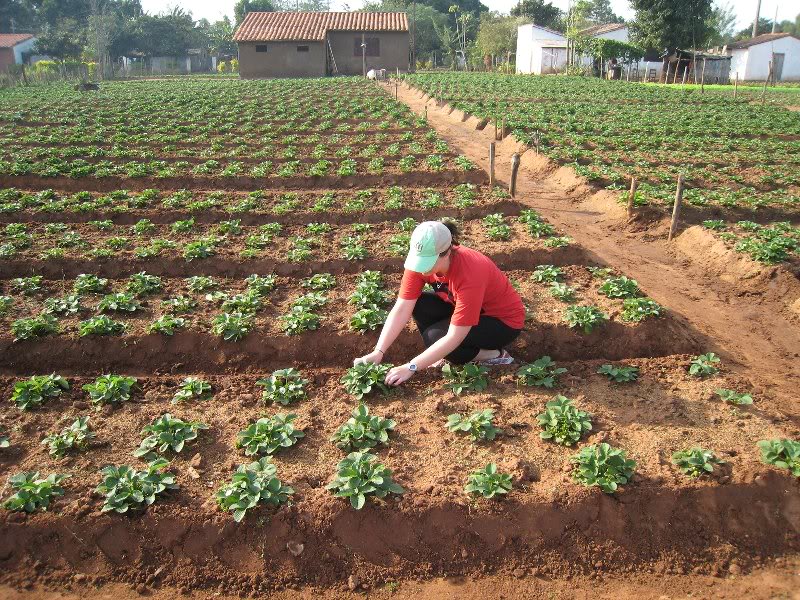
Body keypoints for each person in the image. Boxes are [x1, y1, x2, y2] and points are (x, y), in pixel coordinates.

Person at [354, 220, 525, 387]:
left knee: (436, 338)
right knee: (420, 304)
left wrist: (411, 366)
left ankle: (493, 355)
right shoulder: (419, 263)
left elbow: (454, 337)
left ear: (447, 252)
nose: (421, 268)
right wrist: (378, 352)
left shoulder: (471, 271)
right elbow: (402, 308)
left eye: (427, 261)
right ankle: (446, 353)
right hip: (466, 309)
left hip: (502, 322)